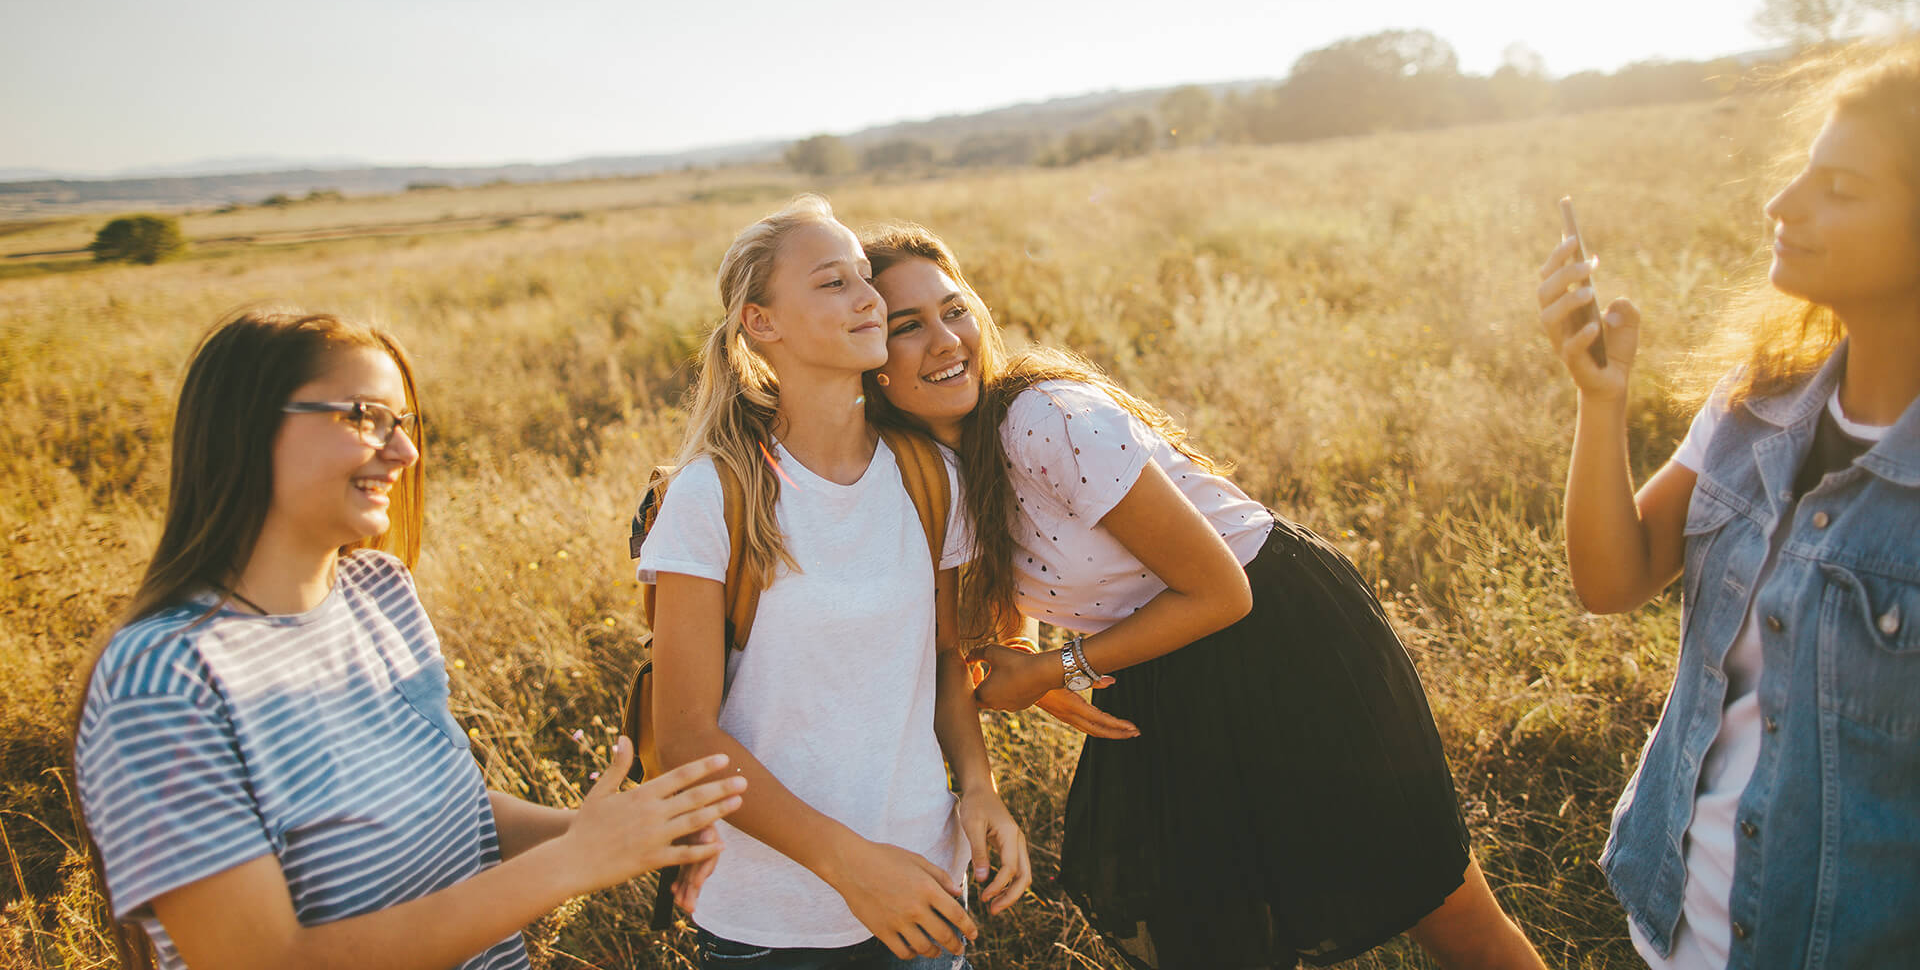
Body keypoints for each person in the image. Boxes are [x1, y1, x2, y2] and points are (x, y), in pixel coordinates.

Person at [860, 224, 1546, 970]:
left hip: (1283, 642)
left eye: (954, 310)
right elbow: (972, 637)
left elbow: (1223, 592)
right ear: (872, 365)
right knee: (1212, 937)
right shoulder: (937, 471)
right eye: (907, 326)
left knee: (1442, 909)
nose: (945, 340)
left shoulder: (1044, 420)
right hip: (1162, 666)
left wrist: (1061, 671)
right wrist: (1026, 676)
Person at [71, 308, 745, 970]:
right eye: (363, 417)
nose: (405, 451)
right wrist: (573, 863)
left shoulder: (377, 593)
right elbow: (264, 959)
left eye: (404, 421)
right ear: (245, 427)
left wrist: (622, 832)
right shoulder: (162, 679)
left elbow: (446, 805)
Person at [1537, 44, 1920, 967]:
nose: (1782, 204)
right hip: (1676, 922)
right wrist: (1600, 399)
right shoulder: (1758, 403)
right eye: (1800, 172)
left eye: (1840, 186)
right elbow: (1611, 579)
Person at [637, 195, 1029, 970]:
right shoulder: (712, 495)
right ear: (761, 323)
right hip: (770, 917)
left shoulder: (928, 476)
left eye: (864, 277)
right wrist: (850, 866)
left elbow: (946, 662)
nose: (868, 297)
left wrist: (978, 789)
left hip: (923, 884)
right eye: (832, 283)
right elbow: (685, 736)